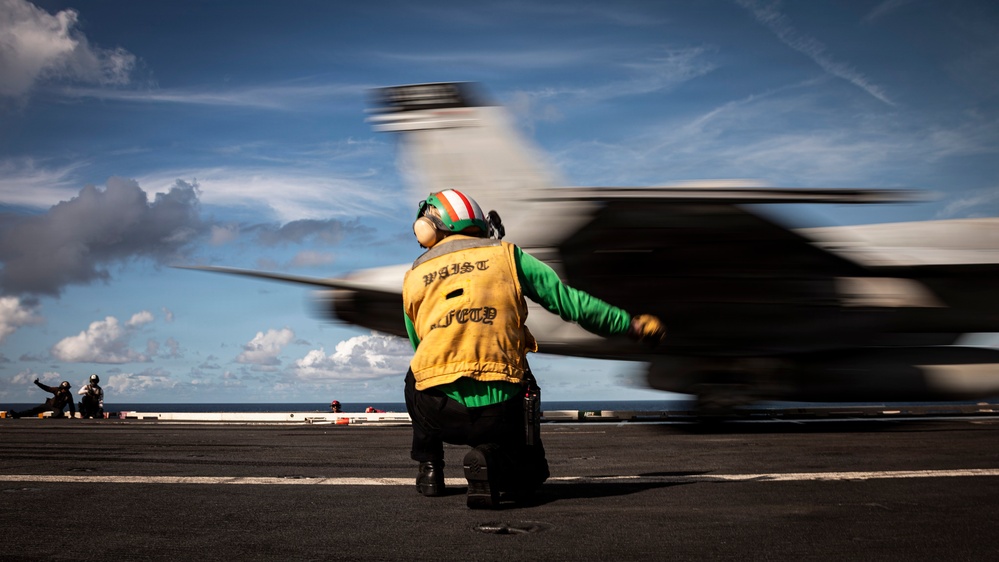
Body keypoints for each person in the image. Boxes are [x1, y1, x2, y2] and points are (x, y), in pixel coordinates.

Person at [402, 189, 666, 509]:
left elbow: (419, 343)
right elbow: (570, 304)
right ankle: (494, 459)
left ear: (428, 227)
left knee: (416, 372)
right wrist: (630, 325)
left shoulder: (414, 275)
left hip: (437, 412)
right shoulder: (508, 255)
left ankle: (430, 469)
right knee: (524, 402)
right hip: (497, 412)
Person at [9, 379, 77, 419]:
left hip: (57, 408)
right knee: (35, 410)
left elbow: (71, 406)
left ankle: (53, 418)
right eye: (63, 388)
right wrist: (38, 383)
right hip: (49, 404)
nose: (64, 390)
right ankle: (17, 415)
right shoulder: (56, 390)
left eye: (66, 389)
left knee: (58, 413)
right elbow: (47, 388)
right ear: (61, 388)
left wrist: (72, 415)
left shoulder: (69, 396)